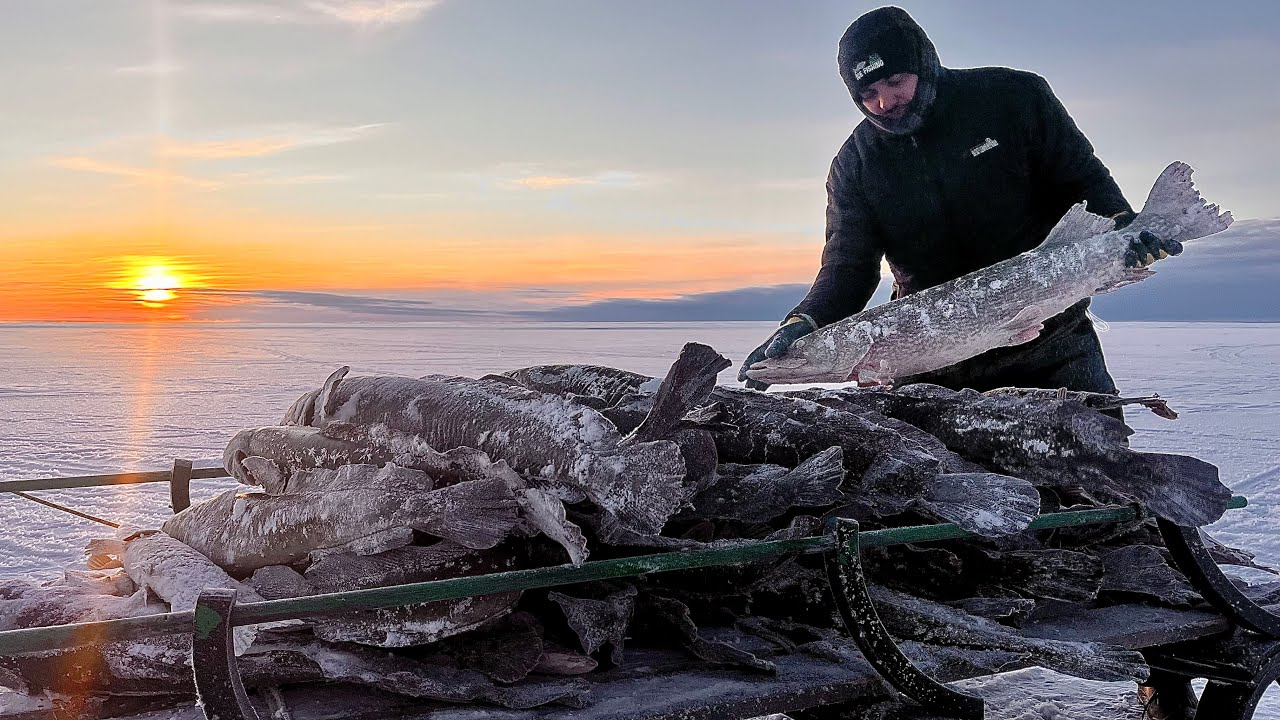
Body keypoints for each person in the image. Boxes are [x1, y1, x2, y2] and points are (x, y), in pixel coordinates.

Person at [738, 6, 1175, 410]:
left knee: (1096, 468)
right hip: (932, 361)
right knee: (940, 487)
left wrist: (1124, 228)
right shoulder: (855, 166)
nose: (885, 103)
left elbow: (1084, 183)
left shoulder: (1014, 98)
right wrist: (804, 322)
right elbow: (847, 268)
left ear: (924, 62)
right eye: (868, 93)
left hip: (1050, 337)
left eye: (894, 81)